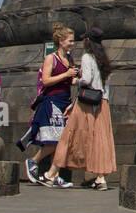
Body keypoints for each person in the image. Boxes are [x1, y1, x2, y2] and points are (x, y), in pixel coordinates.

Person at [42, 28, 116, 190]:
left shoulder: (88, 57)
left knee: (70, 136)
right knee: (100, 139)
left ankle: (51, 173)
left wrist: (76, 81)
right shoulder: (104, 59)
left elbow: (87, 80)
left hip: (86, 104)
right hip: (102, 102)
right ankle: (100, 177)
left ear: (88, 41)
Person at [18, 23, 79, 185]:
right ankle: (34, 161)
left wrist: (76, 78)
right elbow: (46, 81)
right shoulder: (51, 58)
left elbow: (69, 81)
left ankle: (53, 173)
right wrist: (66, 73)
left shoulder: (69, 58)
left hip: (64, 100)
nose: (73, 44)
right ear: (61, 41)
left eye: (73, 41)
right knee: (57, 140)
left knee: (62, 140)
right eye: (70, 41)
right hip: (51, 101)